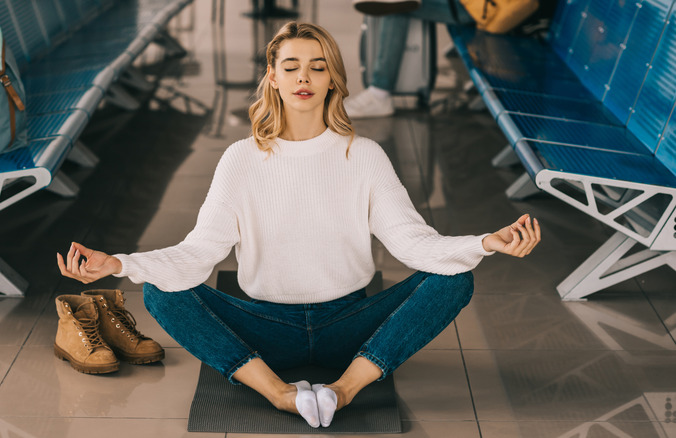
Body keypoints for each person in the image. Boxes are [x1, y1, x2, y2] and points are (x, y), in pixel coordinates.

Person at [57, 21, 541, 429]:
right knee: (163, 290)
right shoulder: (241, 159)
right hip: (266, 327)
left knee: (455, 280)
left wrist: (486, 242)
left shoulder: (364, 155)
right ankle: (278, 393)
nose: (303, 77)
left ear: (334, 78)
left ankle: (346, 389)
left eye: (318, 66)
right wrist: (121, 262)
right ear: (272, 77)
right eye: (291, 67)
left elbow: (412, 242)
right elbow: (201, 249)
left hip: (349, 323)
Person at [345, 1, 475, 118]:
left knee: (395, 5)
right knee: (396, 3)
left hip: (477, 9)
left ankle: (379, 93)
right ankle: (379, 92)